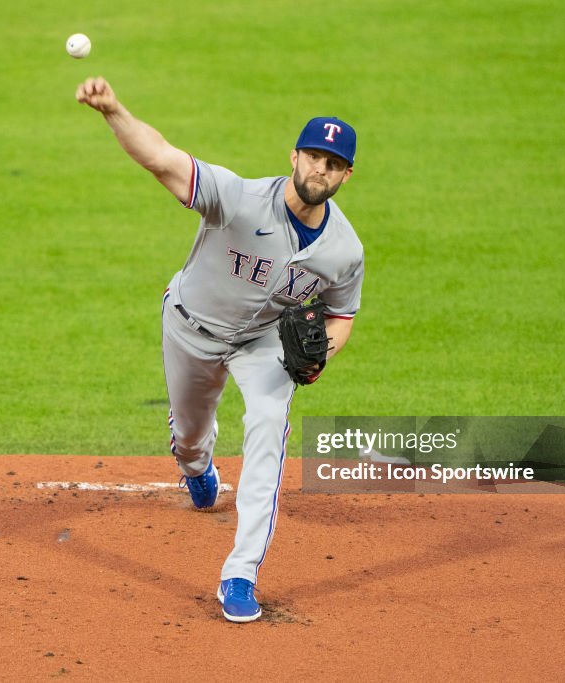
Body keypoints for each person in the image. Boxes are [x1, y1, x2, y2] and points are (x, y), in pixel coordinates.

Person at [76, 77, 364, 623]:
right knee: (190, 435)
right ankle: (195, 464)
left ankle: (241, 572)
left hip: (263, 345)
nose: (318, 171)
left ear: (346, 174)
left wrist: (320, 353)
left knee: (268, 424)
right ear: (294, 156)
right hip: (190, 327)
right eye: (312, 156)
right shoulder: (237, 198)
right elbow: (161, 159)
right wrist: (113, 110)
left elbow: (342, 317)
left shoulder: (345, 250)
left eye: (332, 163)